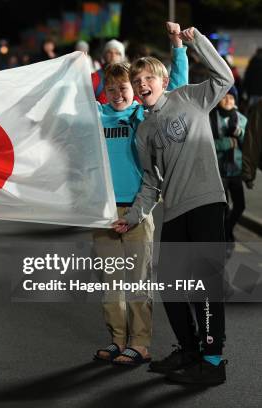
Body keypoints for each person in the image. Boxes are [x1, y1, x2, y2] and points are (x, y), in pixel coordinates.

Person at [112, 25, 233, 385]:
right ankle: (190, 350)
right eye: (137, 79)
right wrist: (133, 216)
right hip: (176, 210)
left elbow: (223, 76)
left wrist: (195, 42)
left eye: (149, 76)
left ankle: (212, 361)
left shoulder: (190, 97)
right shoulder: (144, 132)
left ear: (163, 81)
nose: (142, 82)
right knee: (171, 284)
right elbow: (151, 182)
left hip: (207, 202)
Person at [93, 21, 188, 366]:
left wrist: (177, 46)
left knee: (137, 281)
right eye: (112, 88)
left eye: (124, 87)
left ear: (133, 91)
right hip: (102, 211)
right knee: (109, 286)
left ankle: (141, 343)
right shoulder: (96, 117)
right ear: (104, 89)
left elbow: (174, 86)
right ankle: (117, 340)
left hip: (137, 208)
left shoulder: (141, 116)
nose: (118, 94)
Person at [211, 86, 248, 252]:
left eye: (232, 98)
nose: (228, 101)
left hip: (236, 170)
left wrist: (239, 135)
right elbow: (206, 144)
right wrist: (226, 143)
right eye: (225, 97)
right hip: (219, 170)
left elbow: (249, 145)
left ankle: (227, 231)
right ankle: (225, 238)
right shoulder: (210, 117)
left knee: (240, 205)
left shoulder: (241, 119)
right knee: (223, 208)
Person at [91, 39, 126, 104]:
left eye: (117, 53)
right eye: (109, 52)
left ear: (122, 57)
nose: (113, 56)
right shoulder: (94, 77)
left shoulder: (130, 76)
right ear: (104, 56)